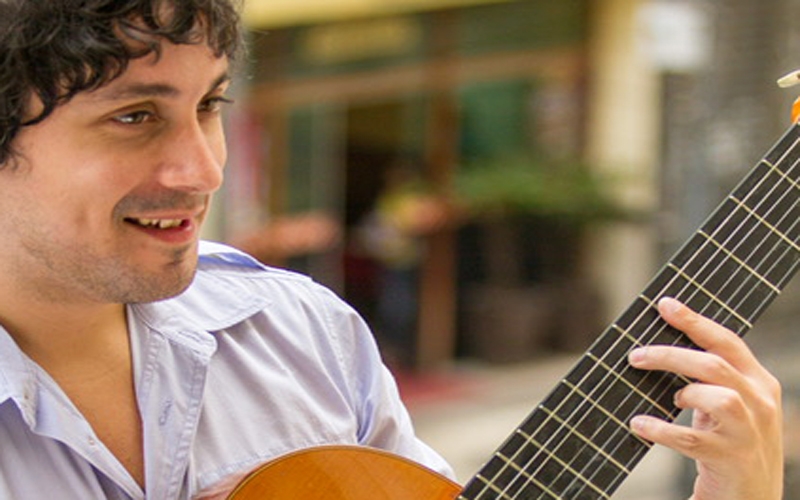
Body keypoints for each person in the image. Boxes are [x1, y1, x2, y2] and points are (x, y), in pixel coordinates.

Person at [0, 1, 783, 499]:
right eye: (135, 116)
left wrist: (738, 491)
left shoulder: (303, 332)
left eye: (209, 105)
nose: (203, 170)